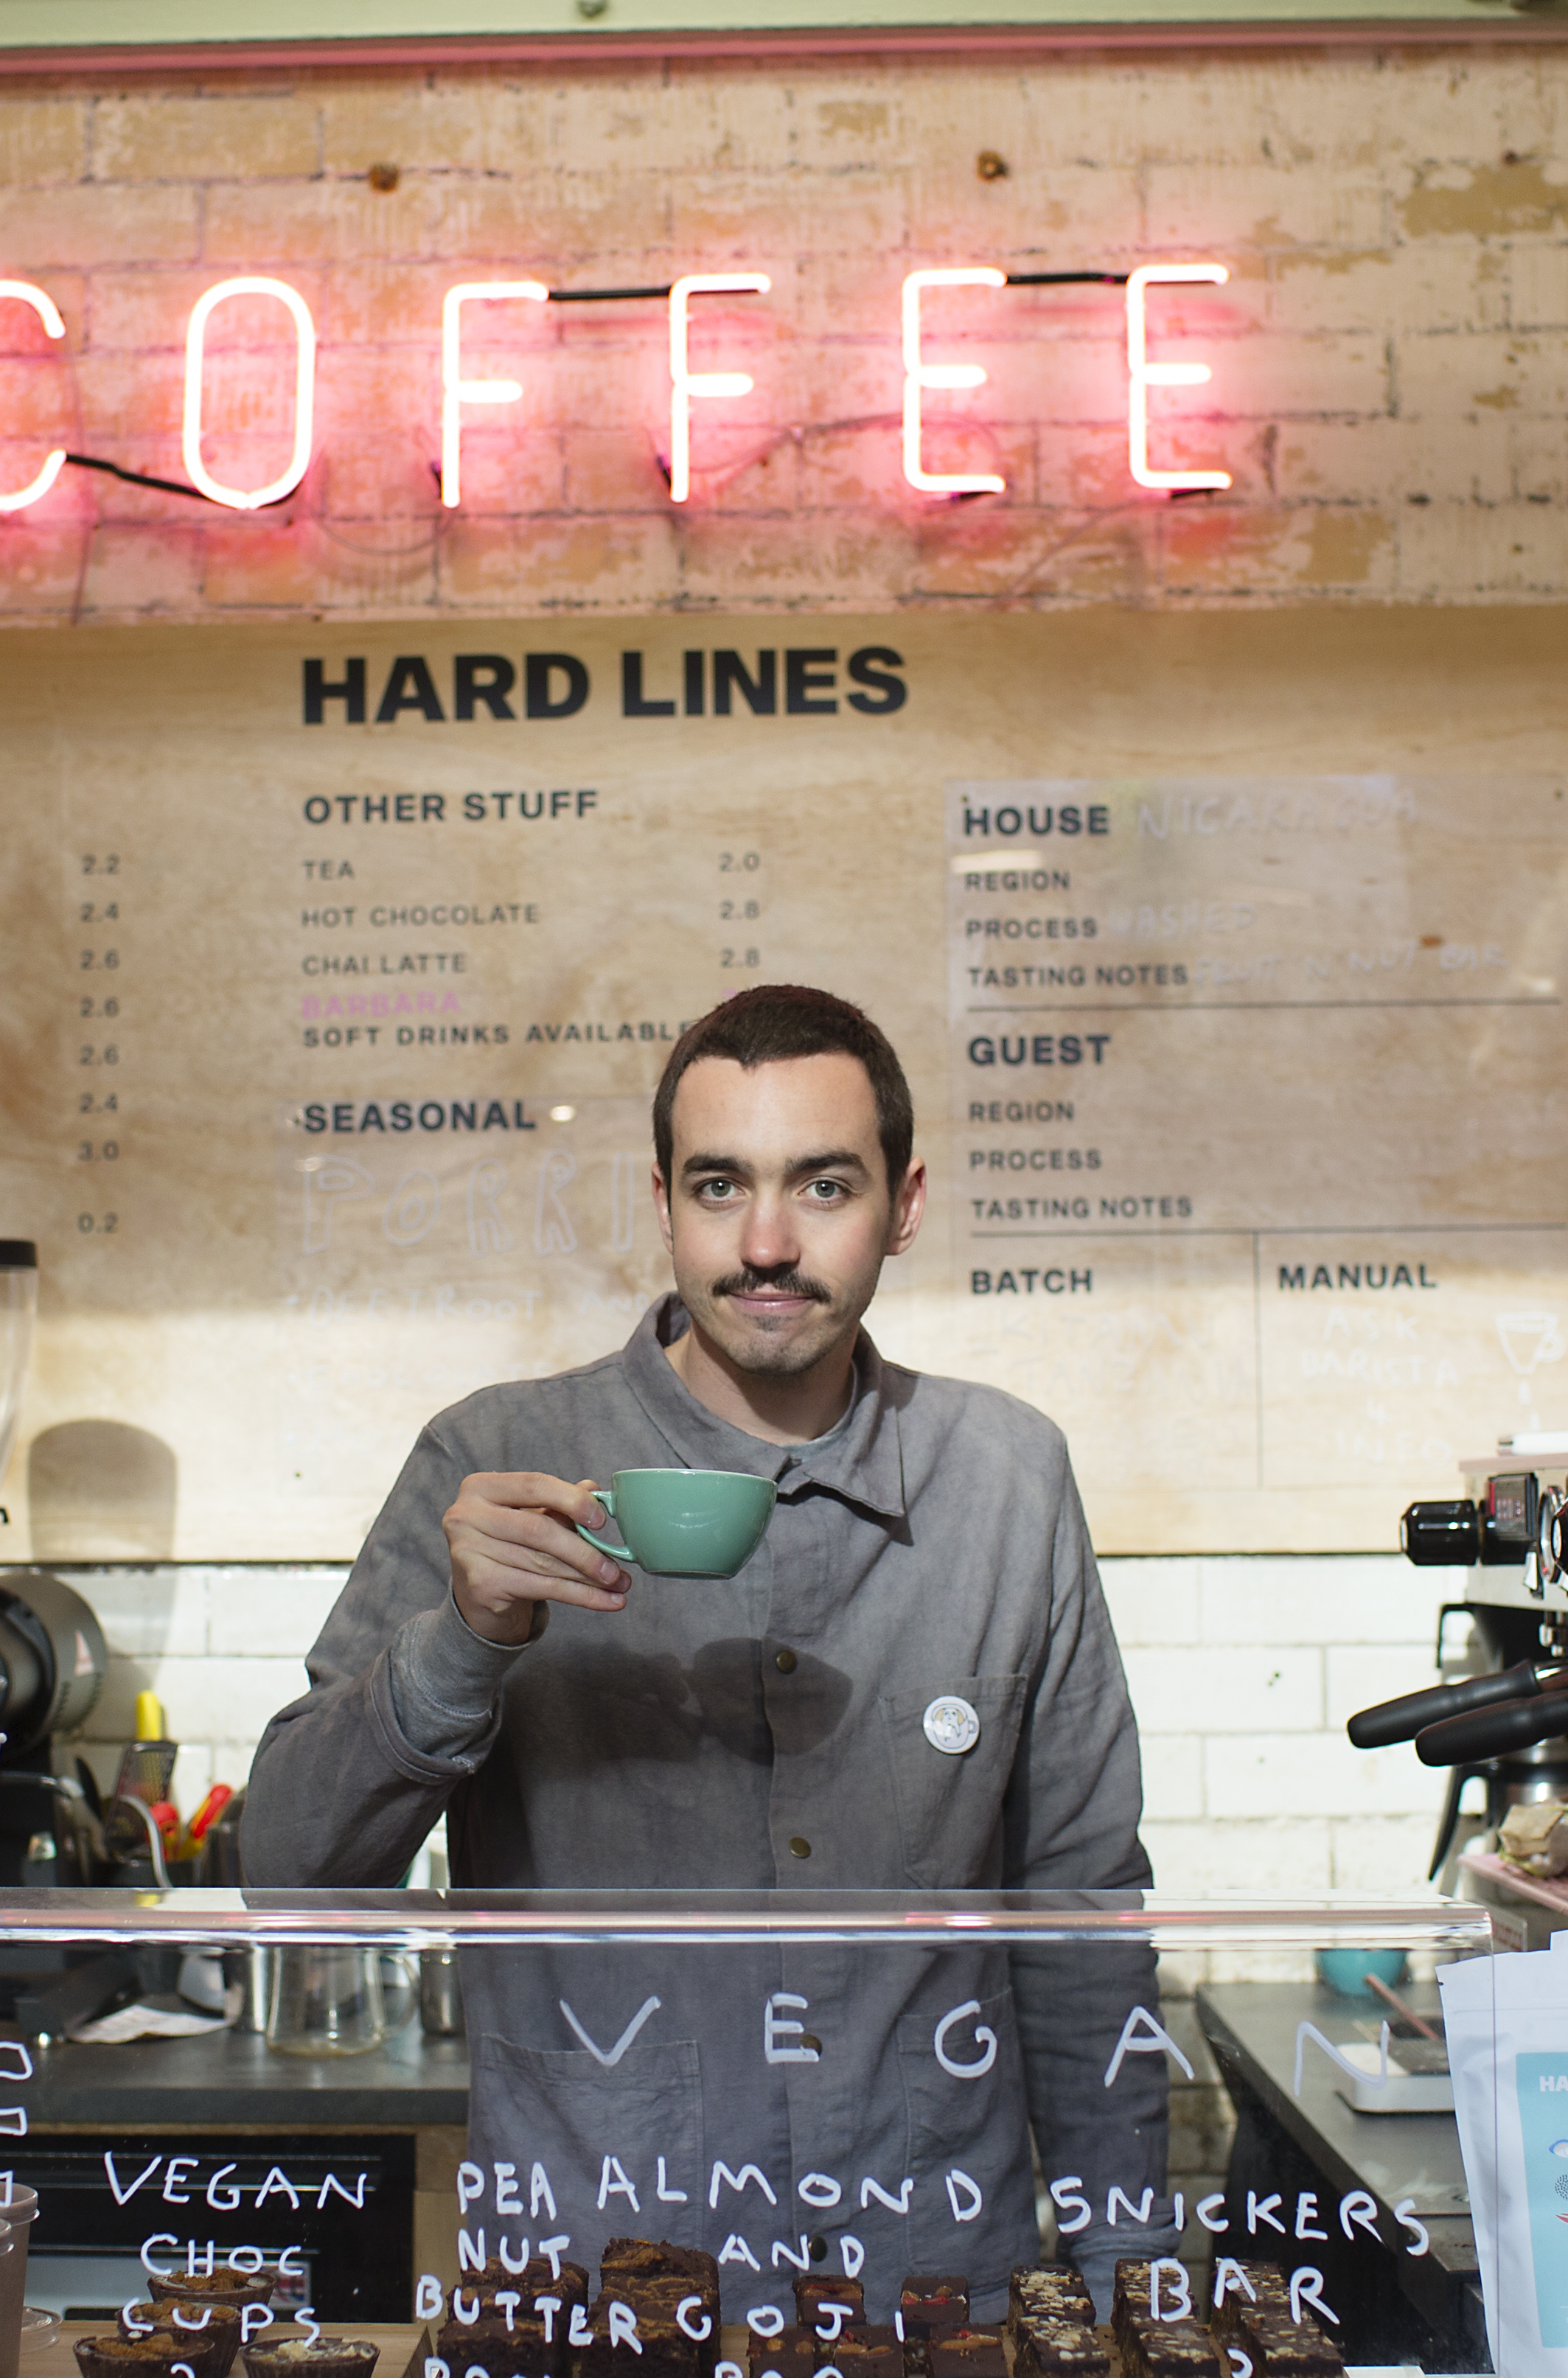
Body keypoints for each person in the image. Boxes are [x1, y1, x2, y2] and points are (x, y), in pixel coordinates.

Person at [242, 984, 1171, 2303]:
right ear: (664, 1202)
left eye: (825, 1187)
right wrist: (464, 1641)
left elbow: (1082, 1917)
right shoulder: (496, 1463)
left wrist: (1134, 2271)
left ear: (905, 1207)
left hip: (927, 2292)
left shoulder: (1006, 1479)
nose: (769, 1242)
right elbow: (291, 1883)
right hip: (596, 2286)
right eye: (721, 1186)